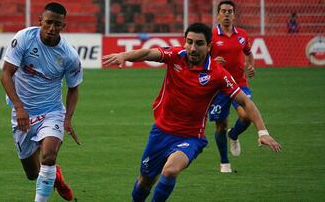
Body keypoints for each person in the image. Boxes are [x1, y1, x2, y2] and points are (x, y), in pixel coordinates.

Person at [102, 22, 281, 202]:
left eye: (199, 43)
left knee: (170, 170)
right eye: (189, 42)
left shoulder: (218, 74)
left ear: (209, 46)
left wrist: (262, 131)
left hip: (191, 137)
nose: (193, 48)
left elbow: (244, 101)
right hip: (161, 132)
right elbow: (148, 53)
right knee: (145, 181)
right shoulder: (176, 55)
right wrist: (124, 55)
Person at [0, 2, 83, 202]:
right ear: (40, 21)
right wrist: (19, 108)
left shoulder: (69, 55)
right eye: (48, 23)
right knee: (32, 173)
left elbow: (73, 88)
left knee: (49, 156)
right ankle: (56, 178)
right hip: (22, 112)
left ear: (64, 25)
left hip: (52, 111)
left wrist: (67, 119)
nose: (52, 28)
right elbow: (5, 74)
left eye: (57, 24)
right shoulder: (24, 39)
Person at [209, 0, 257, 173]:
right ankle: (224, 162)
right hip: (218, 86)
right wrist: (213, 61)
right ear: (218, 15)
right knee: (220, 125)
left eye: (230, 11)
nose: (227, 14)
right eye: (223, 11)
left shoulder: (242, 35)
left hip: (239, 84)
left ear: (234, 15)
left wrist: (251, 65)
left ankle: (234, 134)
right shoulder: (211, 36)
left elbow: (249, 54)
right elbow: (199, 60)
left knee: (247, 116)